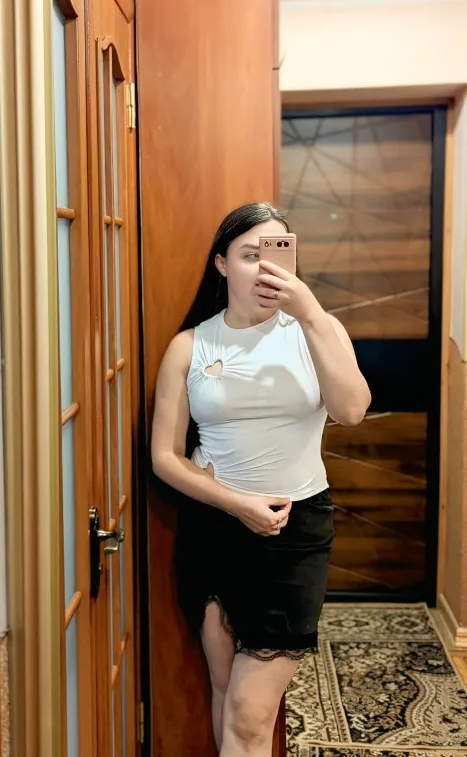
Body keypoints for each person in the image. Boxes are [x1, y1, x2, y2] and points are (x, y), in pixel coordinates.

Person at [151, 202, 371, 757]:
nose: (264, 268)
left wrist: (311, 313)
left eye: (276, 254)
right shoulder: (190, 345)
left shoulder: (318, 330)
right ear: (222, 264)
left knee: (250, 715)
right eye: (250, 255)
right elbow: (165, 457)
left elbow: (351, 410)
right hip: (214, 528)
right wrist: (235, 503)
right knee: (226, 691)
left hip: (294, 533)